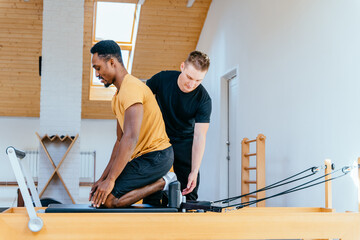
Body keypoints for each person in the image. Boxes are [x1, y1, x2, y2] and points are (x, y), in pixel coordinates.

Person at [89, 40, 176, 208]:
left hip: (157, 156)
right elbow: (120, 141)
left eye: (98, 68)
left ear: (112, 63)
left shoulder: (131, 88)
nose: (97, 74)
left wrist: (111, 180)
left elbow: (131, 138)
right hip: (144, 158)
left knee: (108, 200)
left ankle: (164, 182)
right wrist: (102, 179)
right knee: (101, 195)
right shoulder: (117, 98)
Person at [146, 51, 211, 201]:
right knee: (150, 189)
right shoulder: (162, 79)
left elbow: (200, 136)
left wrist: (194, 171)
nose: (192, 84)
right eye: (189, 77)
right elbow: (140, 99)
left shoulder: (204, 99)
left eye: (198, 80)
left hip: (185, 140)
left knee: (190, 189)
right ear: (182, 67)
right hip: (159, 137)